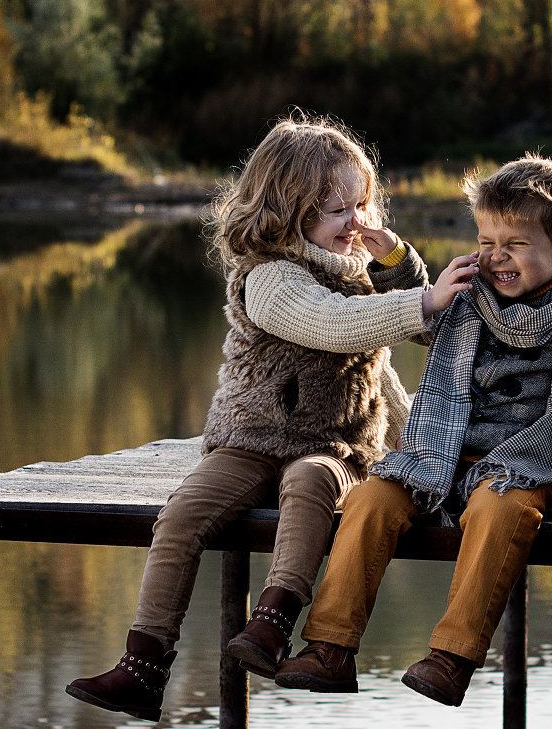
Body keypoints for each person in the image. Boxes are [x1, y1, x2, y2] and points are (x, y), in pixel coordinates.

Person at [64, 114, 477, 722]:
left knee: (308, 484)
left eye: (362, 205)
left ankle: (274, 621)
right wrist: (419, 300)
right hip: (248, 439)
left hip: (335, 443)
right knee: (181, 516)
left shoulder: (359, 270)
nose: (357, 222)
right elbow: (334, 324)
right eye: (339, 210)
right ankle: (143, 664)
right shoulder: (270, 279)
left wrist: (398, 261)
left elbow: (422, 331)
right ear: (290, 212)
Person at [274, 152, 552, 707]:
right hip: (444, 449)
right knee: (372, 498)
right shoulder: (472, 292)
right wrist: (394, 257)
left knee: (500, 510)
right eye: (487, 242)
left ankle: (452, 655)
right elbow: (425, 312)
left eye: (515, 245)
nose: (496, 258)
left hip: (529, 457)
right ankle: (329, 647)